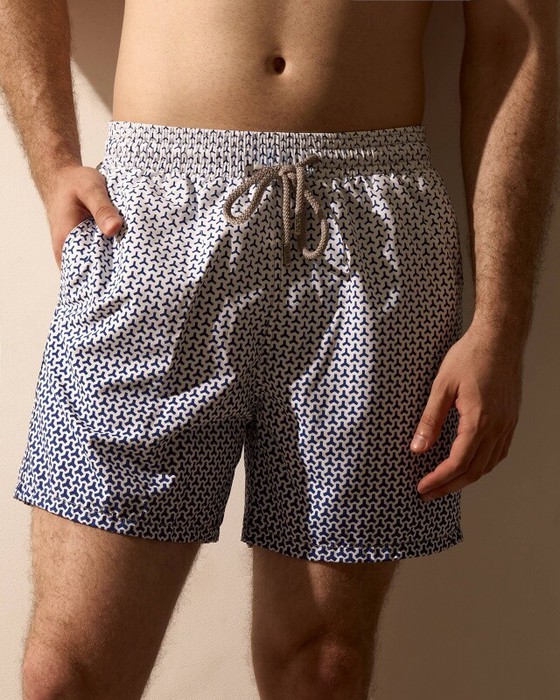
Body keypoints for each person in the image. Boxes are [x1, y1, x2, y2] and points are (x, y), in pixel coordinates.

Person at [1, 1, 557, 698]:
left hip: (376, 228)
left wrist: (501, 323)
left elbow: (516, 39)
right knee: (66, 676)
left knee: (323, 669)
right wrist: (54, 159)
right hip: (152, 221)